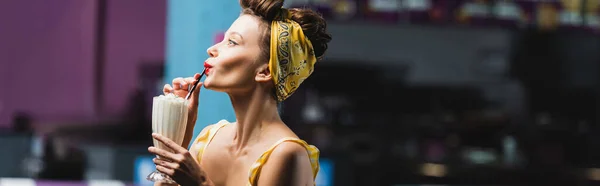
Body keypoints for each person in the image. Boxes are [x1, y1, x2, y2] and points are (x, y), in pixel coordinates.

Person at [147, 0, 332, 185]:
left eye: (232, 42)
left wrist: (201, 182)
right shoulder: (209, 139)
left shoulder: (286, 154)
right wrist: (177, 136)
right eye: (222, 39)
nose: (212, 50)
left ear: (266, 71)